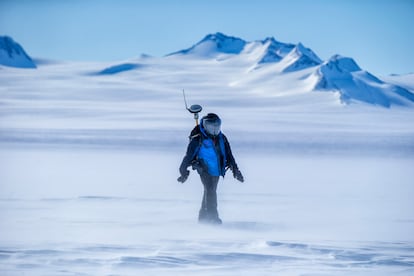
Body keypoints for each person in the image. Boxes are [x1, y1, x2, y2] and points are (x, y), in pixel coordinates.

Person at [178, 113, 244, 224]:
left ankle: (203, 218)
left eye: (216, 127)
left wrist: (236, 171)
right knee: (210, 191)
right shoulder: (197, 139)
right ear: (205, 126)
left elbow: (229, 155)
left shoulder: (222, 138)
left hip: (217, 171)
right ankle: (213, 218)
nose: (214, 130)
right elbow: (188, 156)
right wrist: (183, 172)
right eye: (211, 127)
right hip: (204, 169)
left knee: (209, 191)